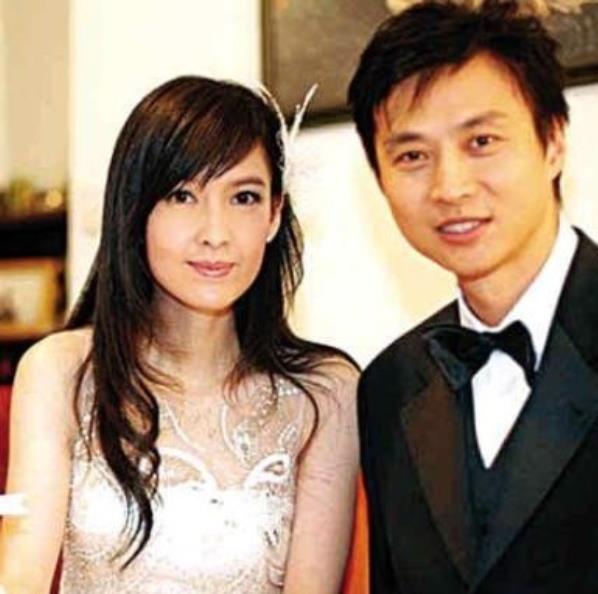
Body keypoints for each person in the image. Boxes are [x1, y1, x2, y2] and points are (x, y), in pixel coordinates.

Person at [347, 1, 598, 593]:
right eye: (412, 156)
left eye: (481, 141)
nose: (450, 186)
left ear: (554, 140)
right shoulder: (387, 386)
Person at [0, 76, 358, 593]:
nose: (215, 233)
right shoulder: (62, 371)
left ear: (274, 214)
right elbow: (20, 577)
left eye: (244, 197)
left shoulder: (325, 392)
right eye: (182, 195)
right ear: (135, 210)